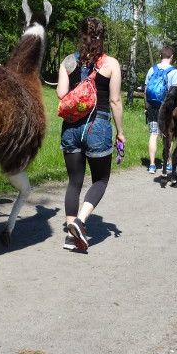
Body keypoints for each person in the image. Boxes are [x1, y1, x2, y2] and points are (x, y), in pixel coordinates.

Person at [57, 17, 125, 253]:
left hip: (71, 128)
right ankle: (80, 221)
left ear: (81, 35)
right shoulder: (111, 64)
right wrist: (120, 132)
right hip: (98, 126)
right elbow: (115, 101)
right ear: (102, 37)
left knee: (74, 181)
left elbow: (61, 94)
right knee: (101, 180)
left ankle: (70, 236)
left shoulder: (68, 61)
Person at [143, 46, 177, 173]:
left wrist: (147, 106)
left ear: (160, 56)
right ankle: (168, 163)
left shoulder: (152, 69)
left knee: (153, 134)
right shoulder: (174, 72)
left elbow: (146, 90)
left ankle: (152, 165)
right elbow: (174, 94)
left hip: (152, 106)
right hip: (167, 108)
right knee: (168, 135)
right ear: (172, 57)